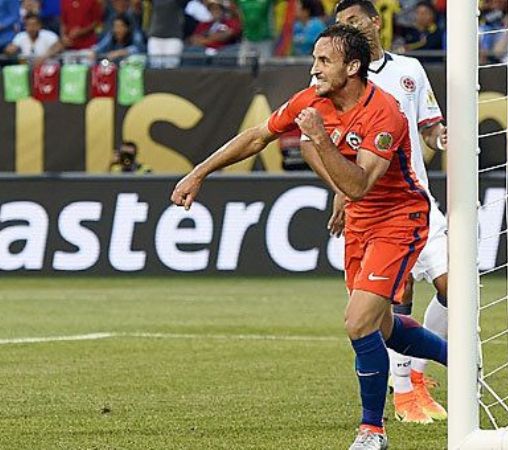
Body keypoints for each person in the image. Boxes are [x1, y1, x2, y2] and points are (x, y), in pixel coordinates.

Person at [170, 24, 447, 450]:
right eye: (315, 59)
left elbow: (359, 185)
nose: (314, 68)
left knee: (358, 322)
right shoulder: (312, 99)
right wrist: (198, 173)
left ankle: (371, 432)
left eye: (324, 61)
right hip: (360, 220)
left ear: (352, 67)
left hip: (398, 217)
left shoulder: (384, 112)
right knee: (384, 327)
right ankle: (460, 361)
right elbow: (257, 136)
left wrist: (320, 139)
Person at [324, 0, 449, 426]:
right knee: (394, 302)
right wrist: (343, 195)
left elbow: (429, 129)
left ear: (376, 22)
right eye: (340, 24)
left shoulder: (410, 70)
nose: (348, 28)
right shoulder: (338, 78)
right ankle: (404, 392)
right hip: (372, 206)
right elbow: (334, 147)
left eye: (354, 21)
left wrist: (443, 138)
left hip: (416, 200)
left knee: (454, 290)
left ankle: (419, 375)